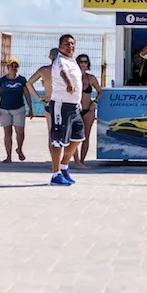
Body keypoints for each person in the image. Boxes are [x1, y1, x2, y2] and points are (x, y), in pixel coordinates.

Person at [48, 34, 86, 186]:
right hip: (61, 105)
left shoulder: (73, 61)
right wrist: (68, 83)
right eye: (66, 44)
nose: (70, 46)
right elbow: (63, 73)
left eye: (72, 43)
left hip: (74, 106)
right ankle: (55, 174)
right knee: (58, 139)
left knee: (77, 138)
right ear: (60, 47)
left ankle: (64, 167)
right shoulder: (60, 60)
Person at [0, 58, 34, 163]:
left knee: (20, 132)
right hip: (4, 109)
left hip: (19, 108)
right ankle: (8, 156)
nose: (14, 68)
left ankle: (19, 149)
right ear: (7, 67)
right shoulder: (2, 80)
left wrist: (30, 108)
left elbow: (27, 94)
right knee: (7, 133)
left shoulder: (22, 80)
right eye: (12, 66)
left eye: (16, 66)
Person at [74, 54, 103, 168]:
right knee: (74, 137)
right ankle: (76, 161)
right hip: (75, 110)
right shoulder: (72, 77)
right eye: (81, 62)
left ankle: (82, 160)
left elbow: (100, 92)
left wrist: (95, 102)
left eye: (85, 62)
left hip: (88, 111)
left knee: (86, 136)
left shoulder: (91, 78)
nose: (83, 64)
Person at [27, 48, 60, 143]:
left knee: (51, 132)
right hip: (61, 102)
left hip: (48, 102)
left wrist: (38, 98)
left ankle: (54, 157)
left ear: (50, 57)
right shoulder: (65, 70)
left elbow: (29, 83)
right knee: (64, 132)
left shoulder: (44, 70)